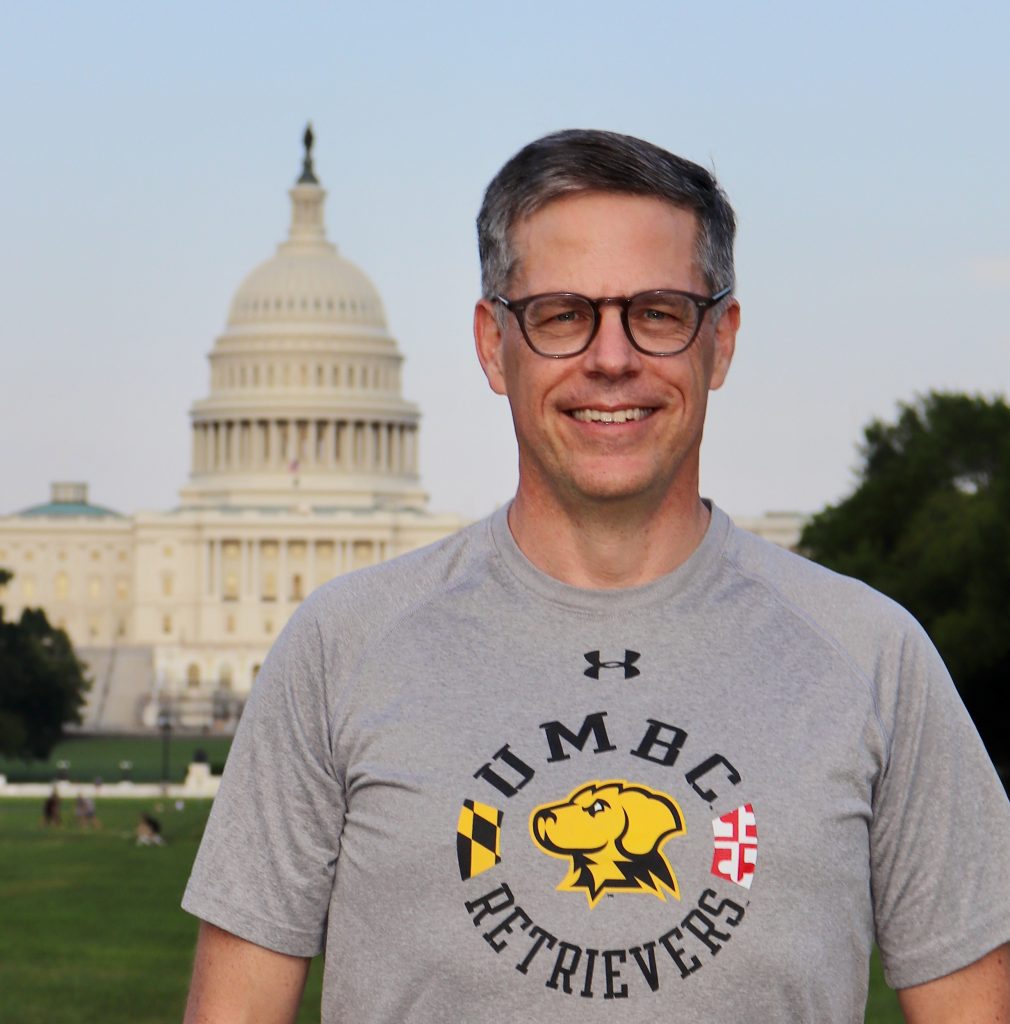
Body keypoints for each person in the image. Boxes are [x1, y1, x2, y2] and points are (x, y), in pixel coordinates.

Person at [182, 130, 1010, 1023]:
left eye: (657, 312)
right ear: (495, 345)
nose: (611, 358)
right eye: (562, 314)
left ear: (720, 341)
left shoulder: (875, 657)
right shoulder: (338, 648)